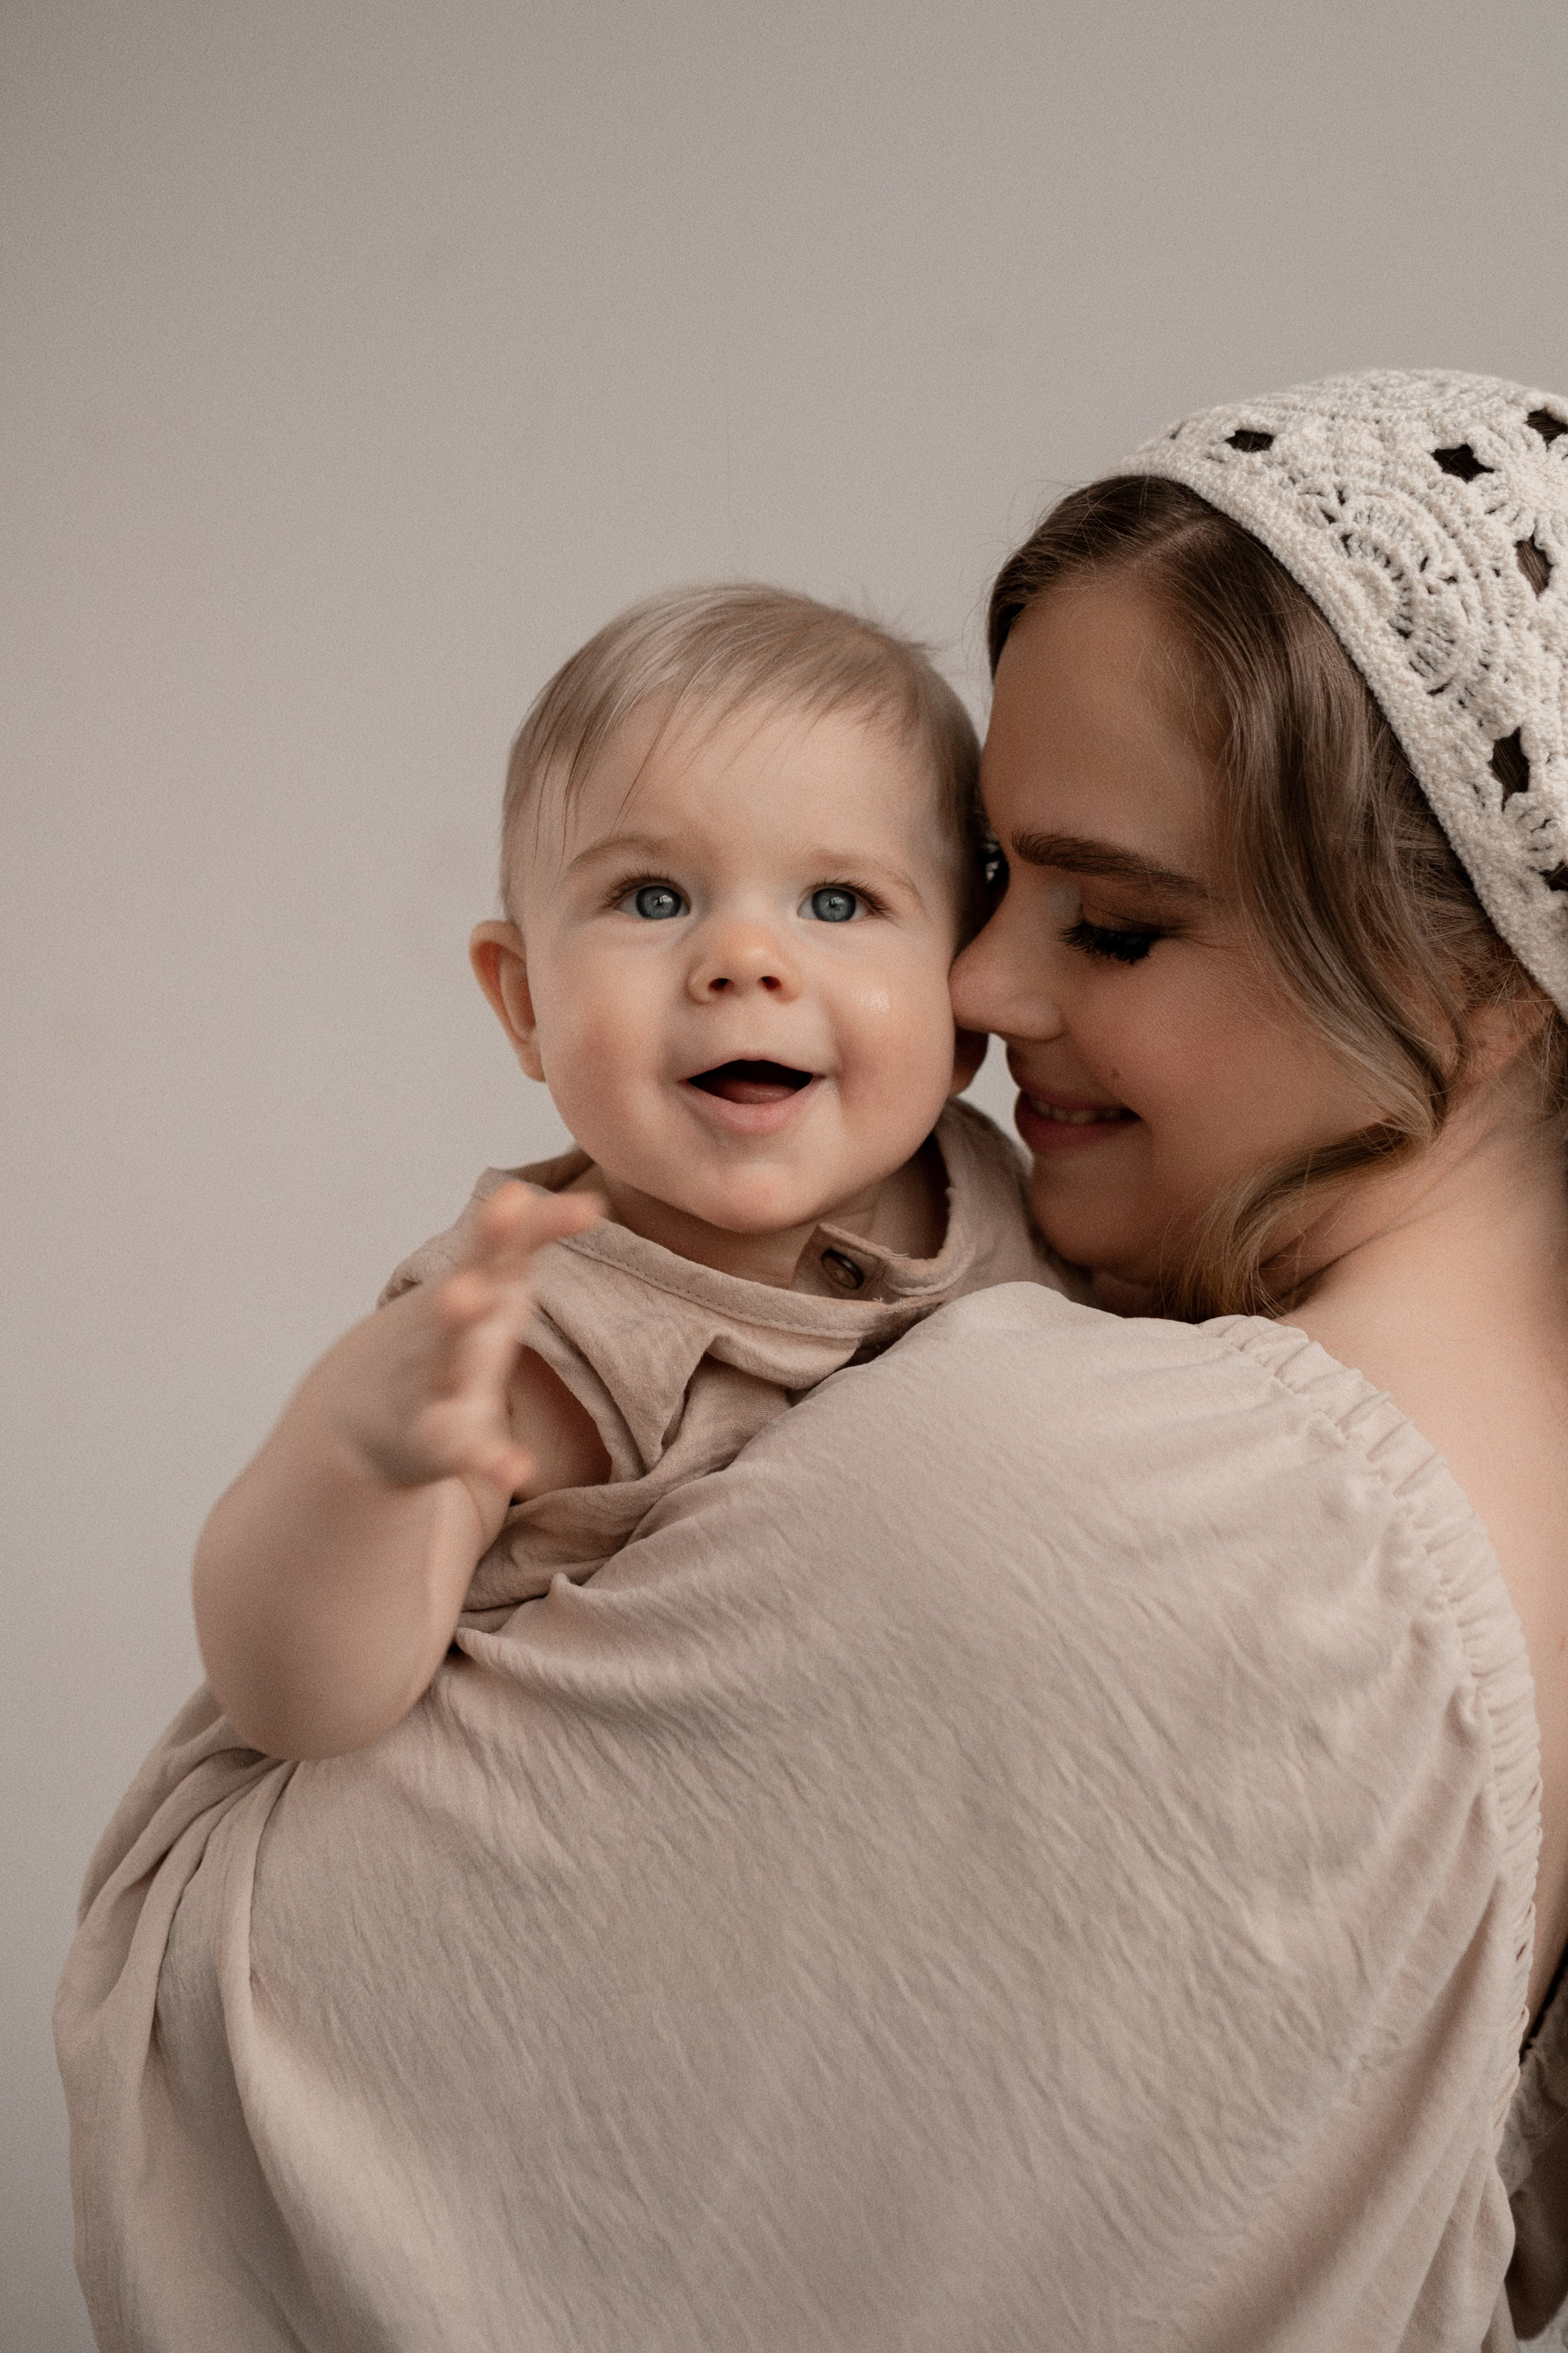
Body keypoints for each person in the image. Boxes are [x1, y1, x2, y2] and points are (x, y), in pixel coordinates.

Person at [55, 371, 1568, 2351]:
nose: (986, 986)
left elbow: (234, 2099)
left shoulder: (1083, 1488)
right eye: (1000, 881)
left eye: (1113, 926)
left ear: (1486, 982)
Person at [183, 582, 1071, 1764]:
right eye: (654, 898)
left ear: (962, 1002)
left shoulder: (1003, 1191)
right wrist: (354, 1470)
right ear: (525, 1001)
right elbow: (303, 1704)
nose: (745, 960)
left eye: (838, 900)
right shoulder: (529, 1329)